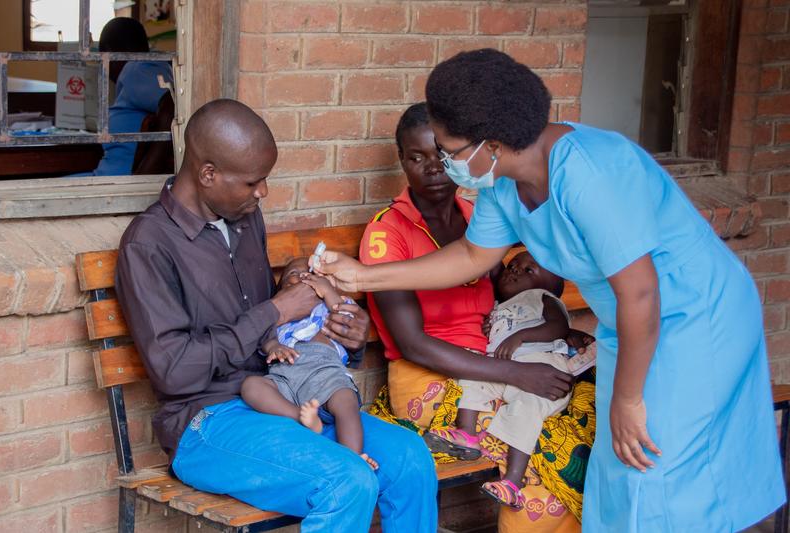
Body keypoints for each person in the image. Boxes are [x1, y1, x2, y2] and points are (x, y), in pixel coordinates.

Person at [313, 49, 785, 532]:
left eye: (450, 151)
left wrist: (626, 400)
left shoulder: (589, 172)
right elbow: (473, 256)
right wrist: (363, 276)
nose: (448, 163)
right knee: (620, 475)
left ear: (491, 143)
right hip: (628, 322)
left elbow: (642, 293)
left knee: (660, 466)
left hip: (694, 317)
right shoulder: (503, 182)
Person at [115, 98, 437, 532]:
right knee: (346, 481)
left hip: (287, 395)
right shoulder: (149, 244)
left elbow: (279, 328)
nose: (262, 192)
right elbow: (174, 371)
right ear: (208, 174)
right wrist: (275, 310)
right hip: (208, 421)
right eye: (253, 182)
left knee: (410, 459)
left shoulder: (244, 218)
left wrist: (340, 334)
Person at [359, 102, 596, 526]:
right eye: (416, 158)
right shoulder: (387, 233)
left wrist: (559, 335)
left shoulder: (476, 217)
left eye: (441, 155)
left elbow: (516, 294)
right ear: (402, 161)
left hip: (495, 364)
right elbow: (413, 345)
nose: (433, 168)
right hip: (429, 377)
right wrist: (517, 374)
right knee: (541, 453)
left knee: (589, 419)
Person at [425, 251, 593, 510]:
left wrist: (520, 337)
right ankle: (467, 435)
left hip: (543, 368)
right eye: (513, 265)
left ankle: (512, 484)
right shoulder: (498, 306)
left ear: (551, 286)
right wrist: (490, 327)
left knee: (527, 409)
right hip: (504, 369)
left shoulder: (543, 298)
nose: (515, 269)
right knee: (471, 378)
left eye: (528, 270)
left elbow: (558, 328)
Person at [240, 258, 377, 470]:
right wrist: (273, 346)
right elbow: (264, 336)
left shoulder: (330, 305)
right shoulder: (278, 312)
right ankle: (301, 416)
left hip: (325, 372)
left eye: (313, 274)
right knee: (251, 386)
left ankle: (353, 456)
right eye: (294, 273)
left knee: (346, 401)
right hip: (285, 374)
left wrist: (327, 291)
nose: (305, 276)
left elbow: (347, 317)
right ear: (281, 289)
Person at [89, 17, 173, 176]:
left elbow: (172, 106)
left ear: (109, 52)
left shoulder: (136, 70)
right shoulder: (156, 68)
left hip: (117, 182)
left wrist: (144, 175)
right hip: (113, 178)